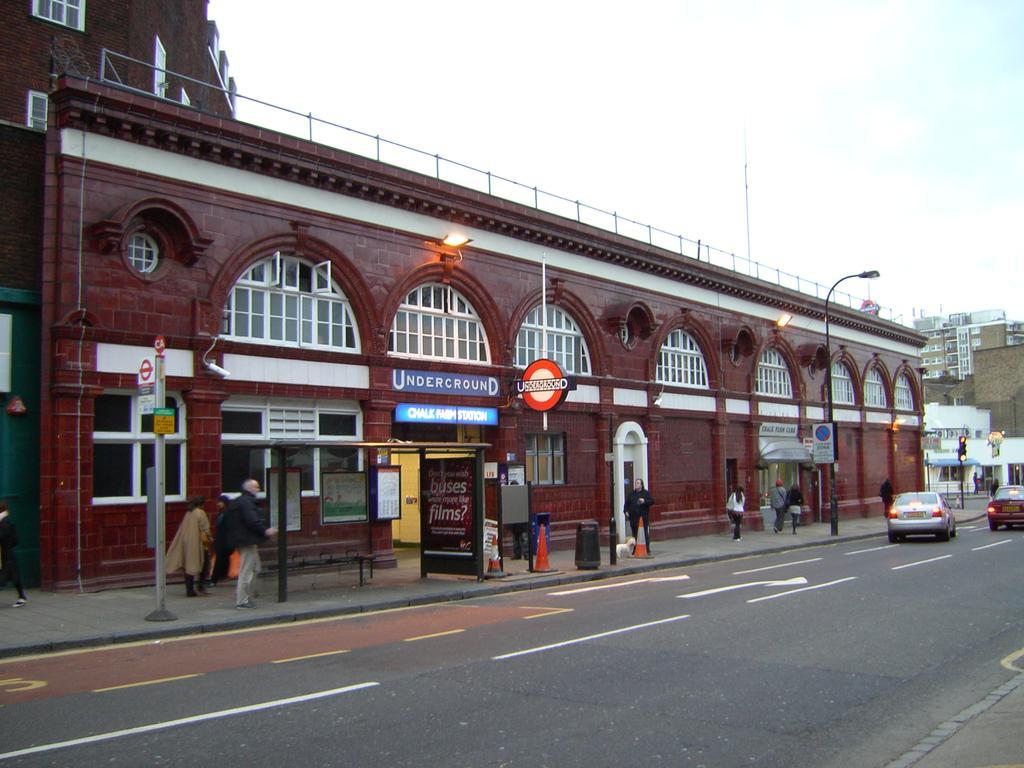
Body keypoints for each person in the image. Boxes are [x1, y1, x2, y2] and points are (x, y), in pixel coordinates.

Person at [221, 478, 276, 609]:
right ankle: (242, 600)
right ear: (249, 488)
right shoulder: (246, 502)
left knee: (255, 567)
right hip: (247, 541)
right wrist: (265, 531)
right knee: (247, 570)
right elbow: (252, 520)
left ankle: (246, 594)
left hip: (242, 540)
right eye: (256, 487)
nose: (258, 489)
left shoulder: (239, 501)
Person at [165, 496, 211, 597]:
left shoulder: (188, 512)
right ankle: (201, 586)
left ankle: (189, 589)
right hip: (198, 544)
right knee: (204, 564)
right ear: (201, 504)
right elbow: (205, 528)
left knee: (188, 566)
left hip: (186, 543)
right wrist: (209, 538)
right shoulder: (200, 513)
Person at [0, 501, 28, 608]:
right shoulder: (6, 522)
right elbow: (15, 540)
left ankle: (22, 597)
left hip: (5, 555)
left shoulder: (5, 523)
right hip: (7, 554)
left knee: (13, 576)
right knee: (13, 576)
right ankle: (22, 597)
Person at [208, 494, 234, 586]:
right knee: (223, 559)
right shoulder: (222, 513)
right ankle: (223, 575)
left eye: (220, 502)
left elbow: (229, 528)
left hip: (224, 541)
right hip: (221, 540)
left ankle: (214, 580)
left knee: (219, 559)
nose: (218, 504)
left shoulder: (227, 513)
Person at [624, 478, 655, 551]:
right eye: (635, 483)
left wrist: (644, 501)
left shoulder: (645, 493)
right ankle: (635, 549)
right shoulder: (631, 494)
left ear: (641, 485)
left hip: (642, 518)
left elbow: (652, 501)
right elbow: (626, 504)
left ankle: (647, 549)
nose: (636, 484)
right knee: (634, 534)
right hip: (633, 518)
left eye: (638, 483)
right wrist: (626, 511)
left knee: (644, 534)